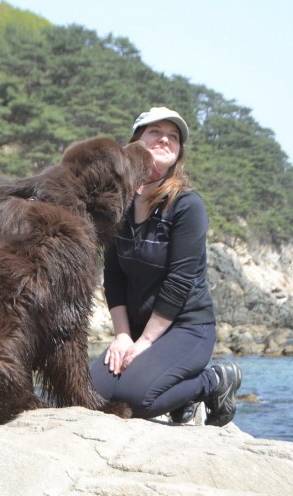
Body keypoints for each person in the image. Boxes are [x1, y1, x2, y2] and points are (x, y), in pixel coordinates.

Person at [89, 106, 242, 426]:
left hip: (186, 328)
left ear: (179, 152)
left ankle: (213, 382)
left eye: (173, 136)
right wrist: (122, 337)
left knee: (135, 400)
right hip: (135, 330)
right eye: (155, 132)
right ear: (135, 142)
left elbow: (179, 282)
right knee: (92, 395)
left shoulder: (187, 206)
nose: (164, 139)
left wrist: (145, 343)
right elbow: (113, 276)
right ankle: (177, 396)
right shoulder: (119, 204)